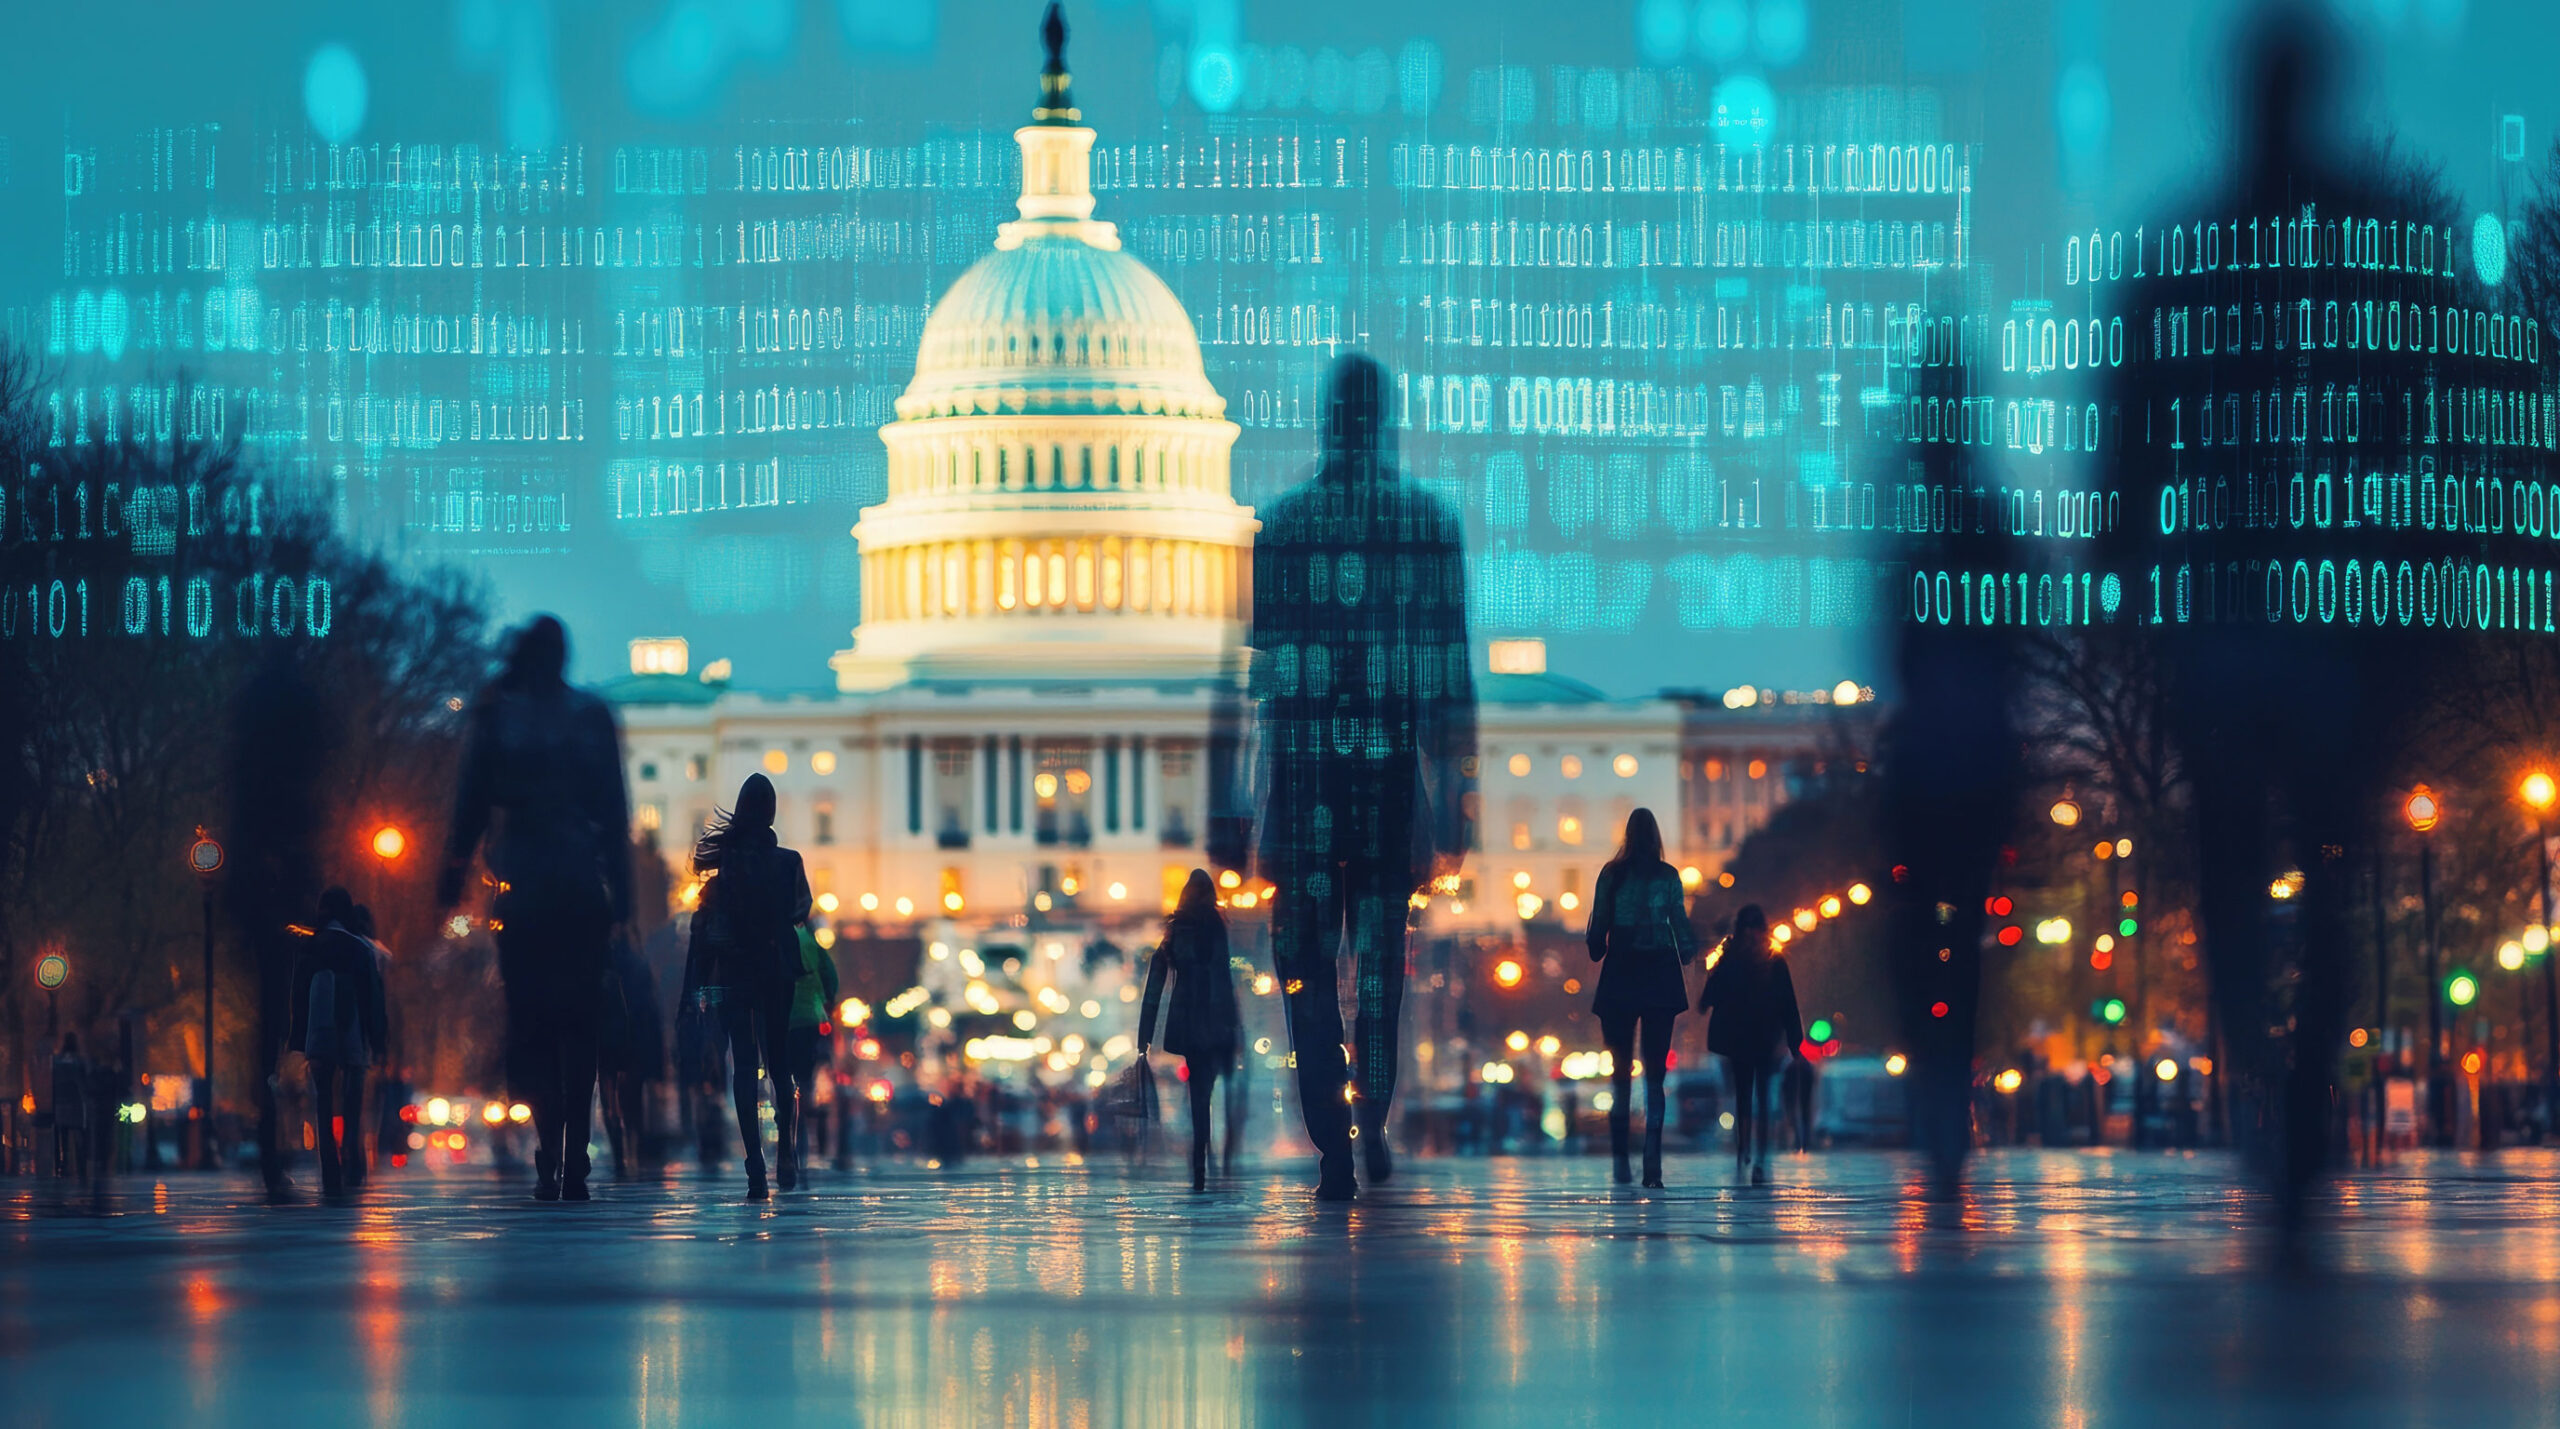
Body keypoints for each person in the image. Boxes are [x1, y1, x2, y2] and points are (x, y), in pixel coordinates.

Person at [1248, 351, 1478, 1203]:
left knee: (1306, 978)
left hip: (1304, 788)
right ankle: (1369, 1116)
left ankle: (1333, 1143)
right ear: (1386, 419)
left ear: (1325, 419)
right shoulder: (1427, 522)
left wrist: (1240, 800)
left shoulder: (1284, 523)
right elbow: (1453, 683)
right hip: (1386, 791)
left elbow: (1259, 673)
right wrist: (1457, 804)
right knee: (1381, 980)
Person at [437, 615, 633, 1204]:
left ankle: (549, 1149)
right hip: (579, 887)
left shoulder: (499, 714)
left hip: (521, 888)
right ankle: (574, 1154)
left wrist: (451, 876)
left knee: (533, 1024)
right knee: (580, 1026)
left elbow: (470, 805)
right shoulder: (591, 715)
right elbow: (615, 816)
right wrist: (624, 897)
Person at [678, 773, 812, 1200]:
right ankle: (786, 1150)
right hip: (776, 969)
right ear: (771, 812)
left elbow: (704, 933)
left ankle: (754, 1164)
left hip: (735, 973)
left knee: (743, 1066)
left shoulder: (724, 870)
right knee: (779, 1064)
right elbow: (801, 910)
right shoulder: (788, 862)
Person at [1584, 808, 1698, 1187]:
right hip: (1661, 977)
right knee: (1655, 1073)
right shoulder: (1668, 876)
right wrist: (1688, 950)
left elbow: (1598, 930)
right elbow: (1679, 922)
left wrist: (1599, 944)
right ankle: (1653, 1157)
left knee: (1620, 1073)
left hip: (1621, 974)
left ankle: (1621, 1157)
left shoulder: (1612, 874)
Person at [1139, 870, 1244, 1191]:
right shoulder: (1217, 927)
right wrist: (1234, 1025)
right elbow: (1225, 978)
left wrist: (1144, 1034)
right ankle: (1215, 1155)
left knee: (1198, 1091)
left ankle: (1201, 1157)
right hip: (1217, 1022)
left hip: (1188, 1023)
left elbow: (1156, 981)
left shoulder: (1176, 931)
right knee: (1215, 1089)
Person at [289, 887, 389, 1197]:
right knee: (351, 1103)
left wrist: (297, 1038)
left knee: (322, 1102)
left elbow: (298, 997)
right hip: (352, 1034)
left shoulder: (310, 947)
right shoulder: (359, 948)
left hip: (318, 1035)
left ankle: (329, 1170)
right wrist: (377, 1040)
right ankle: (352, 1162)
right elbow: (372, 999)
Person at [1697, 906, 1801, 1185]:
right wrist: (1794, 1042)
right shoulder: (1773, 961)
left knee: (1750, 1096)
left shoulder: (1731, 961)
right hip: (1760, 1038)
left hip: (1745, 1039)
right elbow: (1788, 1004)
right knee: (1756, 1097)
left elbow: (1707, 999)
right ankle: (1754, 1152)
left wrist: (1794, 1041)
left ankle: (1749, 1151)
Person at [600, 930, 669, 1179]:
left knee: (610, 1098)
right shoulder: (639, 968)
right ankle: (633, 1147)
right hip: (634, 1041)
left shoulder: (605, 969)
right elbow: (650, 1011)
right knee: (633, 1100)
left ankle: (619, 1151)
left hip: (608, 1038)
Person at [782, 914, 841, 1177]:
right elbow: (831, 978)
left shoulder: (776, 939)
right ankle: (802, 1130)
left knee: (782, 1076)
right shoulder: (812, 944)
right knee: (805, 1080)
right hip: (808, 1020)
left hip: (781, 1020)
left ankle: (786, 1130)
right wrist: (827, 1001)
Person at [49, 1034, 89, 1179]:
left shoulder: (57, 1061)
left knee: (62, 1136)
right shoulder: (79, 1061)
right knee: (79, 1135)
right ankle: (81, 1166)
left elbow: (52, 1080)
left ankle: (63, 1165)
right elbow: (85, 1080)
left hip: (61, 1101)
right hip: (76, 1101)